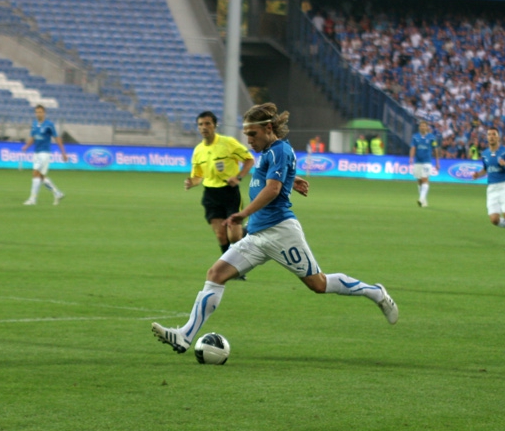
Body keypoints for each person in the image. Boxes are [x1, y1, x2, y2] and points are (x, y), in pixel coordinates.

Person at [152, 103, 398, 354]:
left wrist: (244, 213)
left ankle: (375, 292)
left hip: (281, 232)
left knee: (318, 284)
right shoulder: (270, 151)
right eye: (246, 135)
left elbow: (272, 189)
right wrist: (292, 178)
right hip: (257, 235)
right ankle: (185, 335)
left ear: (268, 128)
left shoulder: (279, 149)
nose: (249, 140)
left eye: (253, 134)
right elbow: (269, 181)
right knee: (216, 274)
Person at [184, 111, 254, 259]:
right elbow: (198, 176)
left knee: (234, 236)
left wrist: (239, 177)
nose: (204, 127)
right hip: (211, 195)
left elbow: (249, 160)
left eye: (207, 123)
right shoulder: (198, 150)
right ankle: (232, 269)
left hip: (230, 193)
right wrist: (192, 182)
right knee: (221, 236)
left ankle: (247, 231)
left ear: (215, 125)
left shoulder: (228, 143)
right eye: (201, 124)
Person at [471, 128, 505, 250]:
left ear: (498, 137)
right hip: (492, 188)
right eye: (489, 134)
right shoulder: (485, 154)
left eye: (494, 134)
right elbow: (486, 169)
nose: (491, 137)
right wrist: (478, 174)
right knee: (494, 219)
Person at [21, 104, 66, 206]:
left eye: (40, 112)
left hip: (44, 153)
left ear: (44, 113)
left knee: (35, 173)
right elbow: (33, 137)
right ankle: (57, 193)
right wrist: (26, 146)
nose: (38, 114)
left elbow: (57, 138)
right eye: (37, 112)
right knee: (41, 177)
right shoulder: (34, 124)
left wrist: (63, 153)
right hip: (36, 153)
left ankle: (32, 199)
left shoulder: (49, 124)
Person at [409, 120, 440, 207]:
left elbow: (435, 149)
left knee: (424, 179)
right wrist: (411, 158)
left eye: (424, 126)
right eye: (421, 126)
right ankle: (423, 200)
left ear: (427, 127)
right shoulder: (415, 137)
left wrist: (437, 162)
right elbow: (413, 147)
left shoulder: (432, 137)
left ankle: (421, 199)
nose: (422, 127)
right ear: (419, 127)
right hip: (417, 161)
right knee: (419, 181)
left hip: (427, 161)